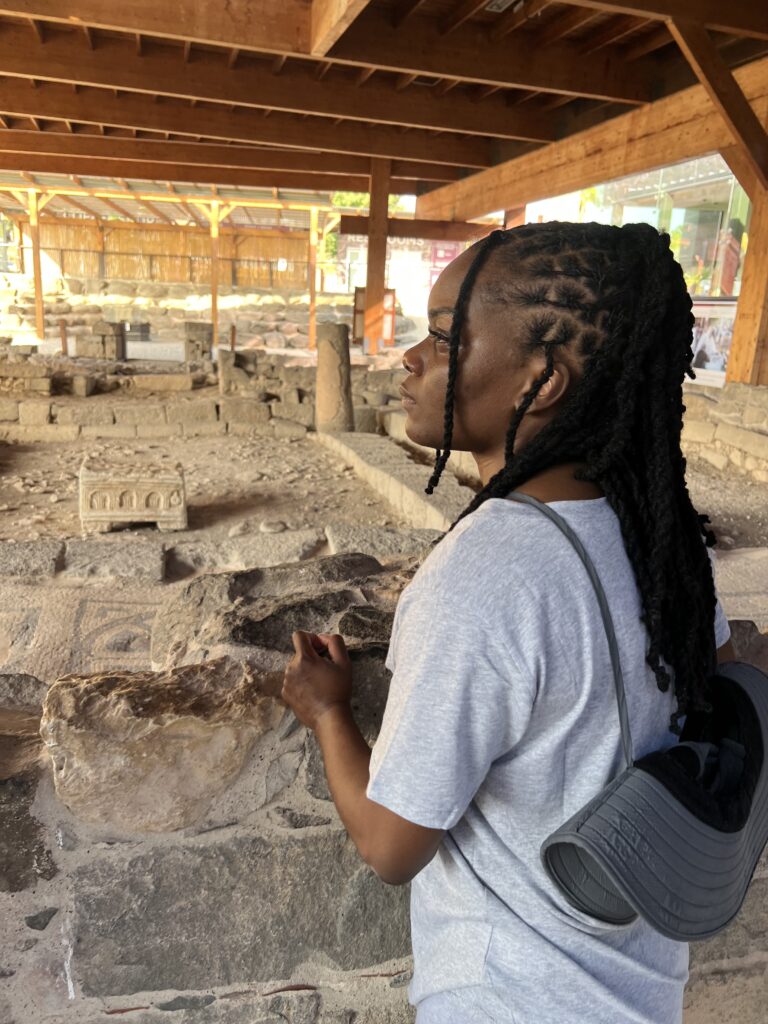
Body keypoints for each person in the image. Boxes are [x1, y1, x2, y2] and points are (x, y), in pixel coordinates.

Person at [281, 222, 735, 1024]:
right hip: (641, 993)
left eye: (447, 335)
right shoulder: (657, 544)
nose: (412, 357)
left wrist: (326, 714)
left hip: (508, 1000)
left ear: (545, 379)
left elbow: (391, 846)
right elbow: (724, 665)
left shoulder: (484, 579)